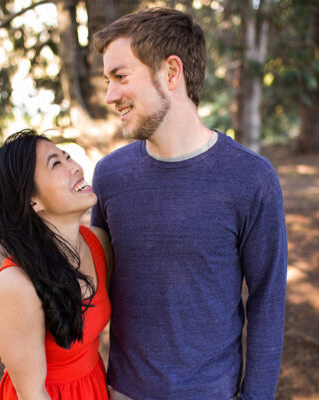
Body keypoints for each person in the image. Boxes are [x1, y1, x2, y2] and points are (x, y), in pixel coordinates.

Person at [91, 7, 287, 400]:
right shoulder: (110, 176)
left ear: (171, 72)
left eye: (121, 76)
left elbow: (268, 299)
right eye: (107, 80)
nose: (110, 95)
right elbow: (91, 283)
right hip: (122, 393)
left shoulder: (251, 178)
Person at [0, 129, 112, 400]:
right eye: (56, 163)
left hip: (93, 388)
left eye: (68, 157)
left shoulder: (96, 243)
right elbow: (31, 393)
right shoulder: (16, 284)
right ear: (32, 199)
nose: (75, 167)